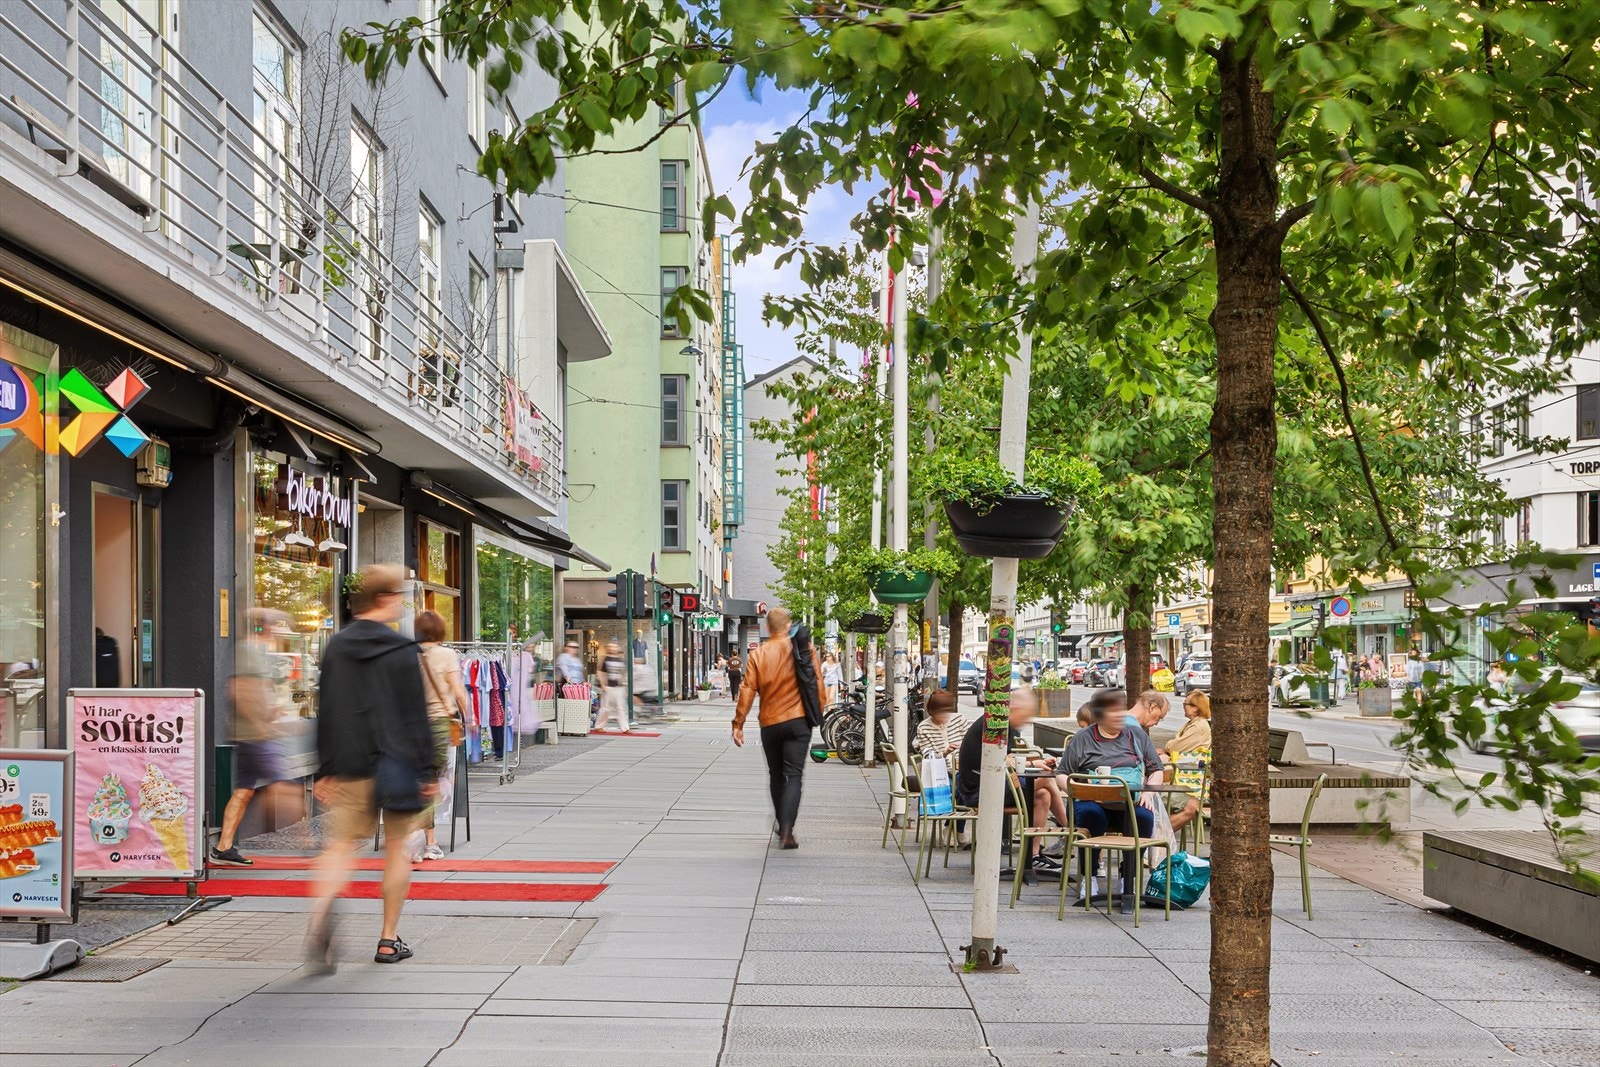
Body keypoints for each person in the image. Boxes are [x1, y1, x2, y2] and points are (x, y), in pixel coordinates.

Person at [308, 564, 439, 970]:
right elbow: (416, 715)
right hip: (397, 763)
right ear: (384, 600)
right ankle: (387, 940)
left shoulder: (336, 647)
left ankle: (321, 918)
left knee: (339, 847)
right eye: (398, 596)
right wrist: (429, 771)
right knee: (398, 850)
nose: (401, 604)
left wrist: (324, 768)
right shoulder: (403, 651)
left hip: (350, 763)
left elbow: (325, 709)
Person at [731, 606, 825, 850]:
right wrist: (819, 713)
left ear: (767, 627)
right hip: (798, 720)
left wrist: (738, 723)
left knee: (775, 774)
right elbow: (816, 682)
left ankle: (782, 821)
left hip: (770, 722)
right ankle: (787, 829)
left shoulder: (758, 654)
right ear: (788, 625)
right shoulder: (804, 649)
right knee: (794, 775)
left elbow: (748, 689)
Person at [1058, 687, 1166, 897]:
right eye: (1112, 712)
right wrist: (1079, 790)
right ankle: (1089, 875)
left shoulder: (1136, 734)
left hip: (1129, 802)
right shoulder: (1082, 738)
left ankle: (1129, 874)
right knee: (1091, 815)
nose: (1118, 716)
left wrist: (1148, 792)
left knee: (1144, 817)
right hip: (1091, 800)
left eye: (1120, 711)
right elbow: (1062, 773)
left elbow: (1157, 770)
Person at [211, 609, 298, 867]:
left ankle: (223, 846)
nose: (274, 629)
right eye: (272, 624)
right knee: (283, 785)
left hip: (253, 732)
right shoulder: (248, 650)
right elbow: (240, 690)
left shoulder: (255, 651)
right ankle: (310, 846)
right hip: (254, 735)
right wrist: (261, 724)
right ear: (262, 627)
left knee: (244, 791)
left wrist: (272, 712)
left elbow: (253, 692)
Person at [954, 688, 1063, 874]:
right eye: (1026, 715)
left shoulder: (1003, 725)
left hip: (991, 786)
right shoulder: (996, 725)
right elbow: (1002, 761)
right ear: (1014, 707)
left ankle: (1033, 855)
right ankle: (1070, 829)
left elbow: (1008, 758)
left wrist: (1036, 762)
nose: (1027, 721)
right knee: (1047, 782)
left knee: (1043, 795)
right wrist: (1029, 763)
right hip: (979, 792)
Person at [415, 610, 469, 861]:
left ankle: (413, 837)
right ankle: (428, 842)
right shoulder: (447, 654)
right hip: (438, 724)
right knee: (433, 783)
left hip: (411, 725)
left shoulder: (410, 654)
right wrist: (471, 717)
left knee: (419, 780)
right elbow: (458, 691)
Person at [914, 688, 966, 767]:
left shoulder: (960, 719)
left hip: (963, 769)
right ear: (932, 710)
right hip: (941, 772)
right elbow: (928, 757)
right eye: (941, 711)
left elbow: (970, 745)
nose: (945, 713)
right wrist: (945, 753)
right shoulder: (924, 727)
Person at [595, 639, 630, 733]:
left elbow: (623, 673)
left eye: (614, 647)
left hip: (619, 687)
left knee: (620, 707)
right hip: (608, 686)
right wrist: (602, 684)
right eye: (611, 647)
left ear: (617, 648)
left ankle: (625, 728)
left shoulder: (620, 659)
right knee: (605, 707)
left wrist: (624, 685)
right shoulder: (605, 658)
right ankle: (599, 726)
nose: (613, 648)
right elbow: (600, 672)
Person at [1167, 691, 1213, 756]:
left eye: (1185, 704)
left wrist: (1169, 744)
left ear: (1196, 707)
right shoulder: (1194, 722)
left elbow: (1174, 748)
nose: (1183, 707)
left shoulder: (1198, 726)